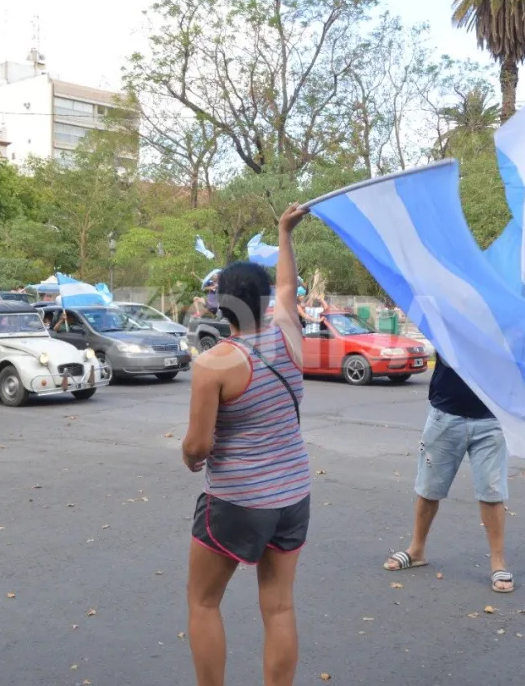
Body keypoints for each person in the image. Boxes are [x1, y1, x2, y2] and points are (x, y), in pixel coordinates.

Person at [181, 203, 309, 686]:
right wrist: (284, 233)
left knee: (203, 600)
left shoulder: (214, 363)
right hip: (293, 496)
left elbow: (198, 446)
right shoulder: (291, 336)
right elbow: (288, 287)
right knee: (279, 607)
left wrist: (190, 456)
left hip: (238, 501)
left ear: (221, 304)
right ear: (262, 303)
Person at [383, 358, 515, 594]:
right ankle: (416, 551)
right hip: (445, 413)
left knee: (492, 492)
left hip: (491, 418)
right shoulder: (448, 320)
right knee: (428, 488)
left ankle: (498, 563)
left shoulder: (503, 324)